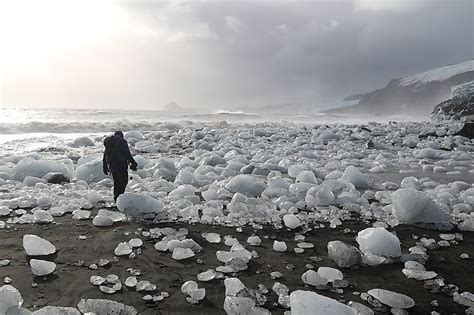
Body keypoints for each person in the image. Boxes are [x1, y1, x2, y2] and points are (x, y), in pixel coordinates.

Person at [102, 131, 138, 201]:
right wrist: (133, 163)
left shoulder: (109, 142)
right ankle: (118, 197)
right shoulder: (122, 141)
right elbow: (127, 153)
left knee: (117, 181)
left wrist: (105, 167)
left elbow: (105, 155)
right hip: (121, 164)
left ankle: (116, 197)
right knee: (124, 181)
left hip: (111, 165)